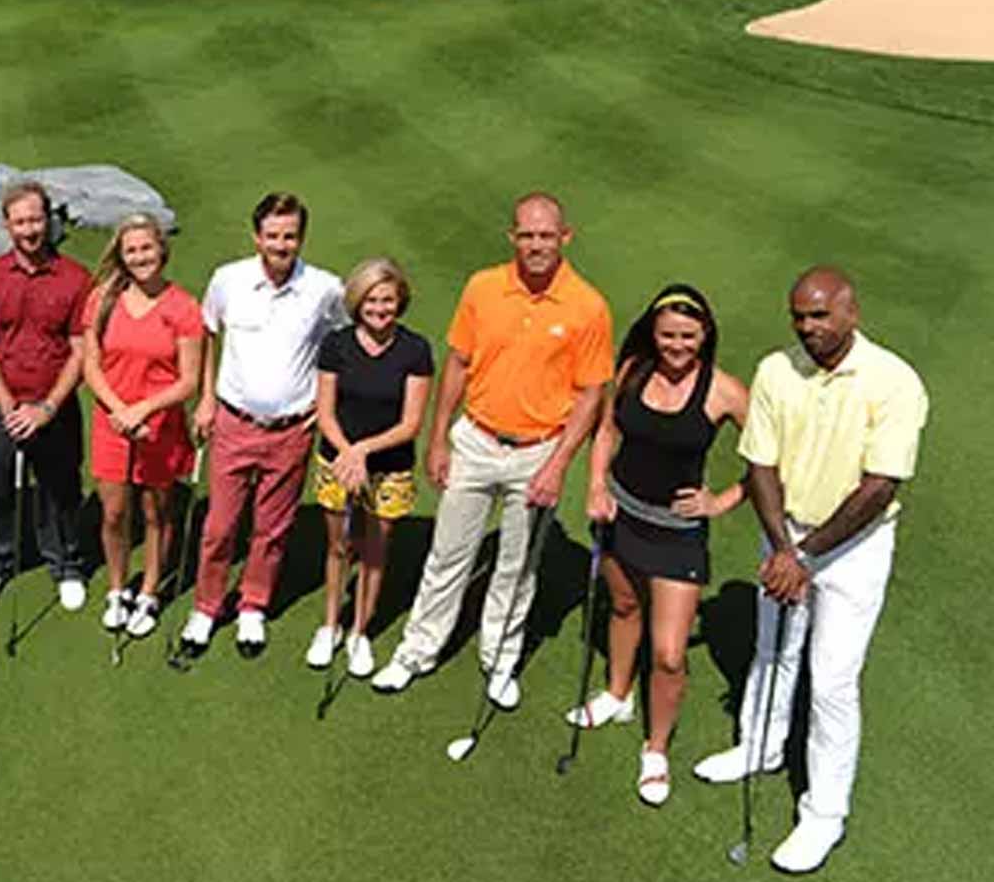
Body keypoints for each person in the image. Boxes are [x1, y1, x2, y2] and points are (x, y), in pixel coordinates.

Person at [691, 268, 926, 874]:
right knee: (773, 650)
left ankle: (824, 814)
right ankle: (760, 747)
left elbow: (879, 487)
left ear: (851, 312)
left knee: (832, 680)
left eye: (820, 316)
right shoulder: (776, 369)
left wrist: (806, 557)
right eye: (799, 316)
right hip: (787, 533)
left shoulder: (894, 381)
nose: (808, 328)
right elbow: (761, 465)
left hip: (856, 545)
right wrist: (782, 549)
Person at [372, 193, 612, 708]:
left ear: (565, 237)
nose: (536, 245)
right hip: (476, 440)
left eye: (546, 235)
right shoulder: (483, 287)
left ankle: (499, 658)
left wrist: (559, 464)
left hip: (538, 452)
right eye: (526, 235)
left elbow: (592, 393)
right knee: (448, 553)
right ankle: (417, 650)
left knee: (516, 566)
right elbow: (458, 363)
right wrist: (438, 437)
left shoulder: (588, 305)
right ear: (512, 238)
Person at [568, 284, 748, 807]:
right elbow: (605, 432)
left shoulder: (723, 390)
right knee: (623, 606)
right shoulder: (632, 372)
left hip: (678, 534)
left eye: (688, 336)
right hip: (621, 514)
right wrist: (597, 484)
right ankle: (618, 695)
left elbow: (768, 455)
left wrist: (722, 500)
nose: (676, 346)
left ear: (705, 334)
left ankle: (656, 747)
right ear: (653, 332)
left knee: (670, 654)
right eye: (667, 335)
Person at [181, 192, 345, 658]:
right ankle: (207, 606)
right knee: (219, 526)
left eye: (290, 236)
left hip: (292, 428)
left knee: (272, 528)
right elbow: (209, 334)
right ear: (257, 237)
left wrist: (324, 403)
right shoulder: (228, 280)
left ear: (301, 237)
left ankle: (253, 605)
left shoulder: (324, 288)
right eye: (272, 235)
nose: (281, 244)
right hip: (234, 422)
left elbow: (345, 343)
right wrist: (207, 399)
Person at [0, 181, 94, 611]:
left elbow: (80, 351)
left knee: (61, 485)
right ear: (7, 225)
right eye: (20, 221)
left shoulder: (76, 278)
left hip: (55, 403)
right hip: (4, 400)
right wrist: (6, 403)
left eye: (36, 219)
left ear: (48, 220)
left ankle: (66, 563)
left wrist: (48, 407)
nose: (30, 229)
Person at [306, 258, 432, 678]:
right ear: (357, 302)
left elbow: (410, 424)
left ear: (400, 302)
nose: (380, 309)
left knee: (375, 552)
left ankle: (360, 632)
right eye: (372, 300)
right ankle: (330, 626)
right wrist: (347, 454)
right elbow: (325, 412)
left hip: (389, 466)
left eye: (388, 301)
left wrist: (362, 452)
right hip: (337, 460)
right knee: (339, 546)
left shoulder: (415, 350)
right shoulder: (336, 345)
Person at [79, 214, 203, 637]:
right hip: (111, 422)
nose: (140, 257)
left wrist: (143, 410)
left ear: (161, 250)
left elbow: (189, 380)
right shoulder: (101, 299)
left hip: (160, 427)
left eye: (147, 248)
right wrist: (121, 411)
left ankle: (149, 591)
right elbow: (91, 366)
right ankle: (118, 588)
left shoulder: (184, 308)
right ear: (121, 254)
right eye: (131, 250)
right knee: (114, 513)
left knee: (157, 513)